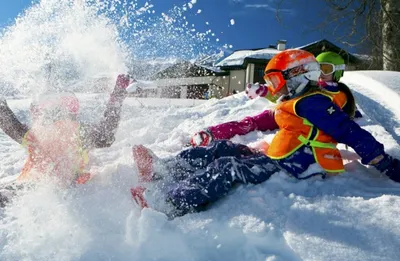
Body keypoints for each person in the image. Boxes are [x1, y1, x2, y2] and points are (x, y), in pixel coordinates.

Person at [131, 49, 400, 218]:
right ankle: (165, 169)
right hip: (279, 157)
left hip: (295, 165)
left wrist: (382, 161)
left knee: (229, 166)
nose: (274, 88)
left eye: (275, 81)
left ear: (298, 75)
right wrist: (216, 132)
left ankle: (170, 202)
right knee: (223, 149)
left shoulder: (315, 102)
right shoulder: (296, 103)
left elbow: (349, 130)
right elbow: (260, 120)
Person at [0, 74, 132, 206]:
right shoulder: (78, 132)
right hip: (59, 189)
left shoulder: (35, 134)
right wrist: (117, 97)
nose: (59, 110)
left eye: (66, 104)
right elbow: (106, 136)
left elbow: (8, 123)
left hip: (36, 187)